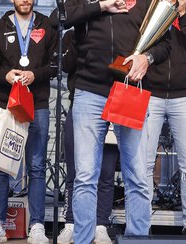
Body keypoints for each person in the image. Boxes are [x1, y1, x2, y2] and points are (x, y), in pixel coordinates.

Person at [62, 0, 170, 243]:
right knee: (85, 176)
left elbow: (165, 43)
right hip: (88, 91)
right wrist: (101, 6)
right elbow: (60, 21)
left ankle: (137, 238)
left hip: (128, 91)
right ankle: (83, 238)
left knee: (136, 174)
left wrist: (146, 58)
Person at [0, 0, 55, 244]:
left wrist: (35, 75)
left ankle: (37, 226)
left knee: (36, 166)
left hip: (38, 105)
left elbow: (56, 66)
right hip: (7, 105)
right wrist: (7, 75)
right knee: (0, 167)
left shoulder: (46, 26)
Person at [143, 0, 186, 235]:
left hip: (181, 96)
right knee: (144, 162)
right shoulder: (147, 11)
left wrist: (183, 14)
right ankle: (141, 220)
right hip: (151, 94)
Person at [56, 29, 118, 244]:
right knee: (76, 171)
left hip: (114, 103)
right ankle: (71, 222)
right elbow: (66, 66)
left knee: (106, 172)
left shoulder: (116, 29)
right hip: (82, 104)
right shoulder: (72, 35)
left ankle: (101, 224)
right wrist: (81, 36)